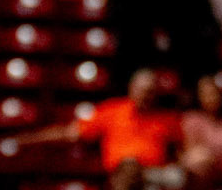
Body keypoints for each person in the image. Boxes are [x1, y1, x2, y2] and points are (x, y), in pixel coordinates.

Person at [20, 67, 181, 176]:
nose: (146, 96)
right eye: (142, 90)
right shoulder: (111, 111)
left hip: (153, 176)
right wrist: (27, 140)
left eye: (150, 92)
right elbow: (71, 133)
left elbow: (182, 150)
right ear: (131, 88)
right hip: (118, 176)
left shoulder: (167, 119)